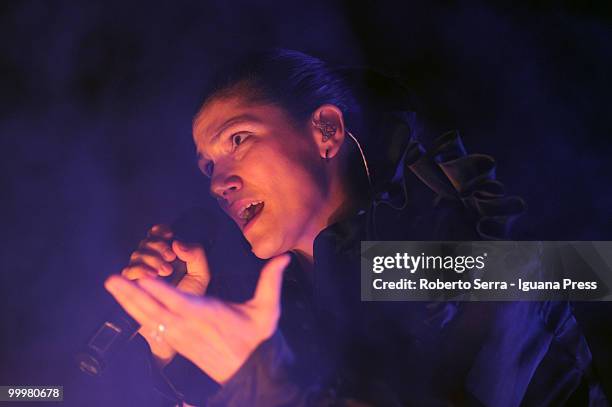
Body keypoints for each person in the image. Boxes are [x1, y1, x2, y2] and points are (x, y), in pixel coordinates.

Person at [104, 49, 607, 406]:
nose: (219, 182)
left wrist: (257, 379)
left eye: (238, 138)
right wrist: (168, 347)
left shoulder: (438, 248)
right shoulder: (289, 302)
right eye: (207, 166)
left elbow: (578, 270)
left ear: (326, 130)